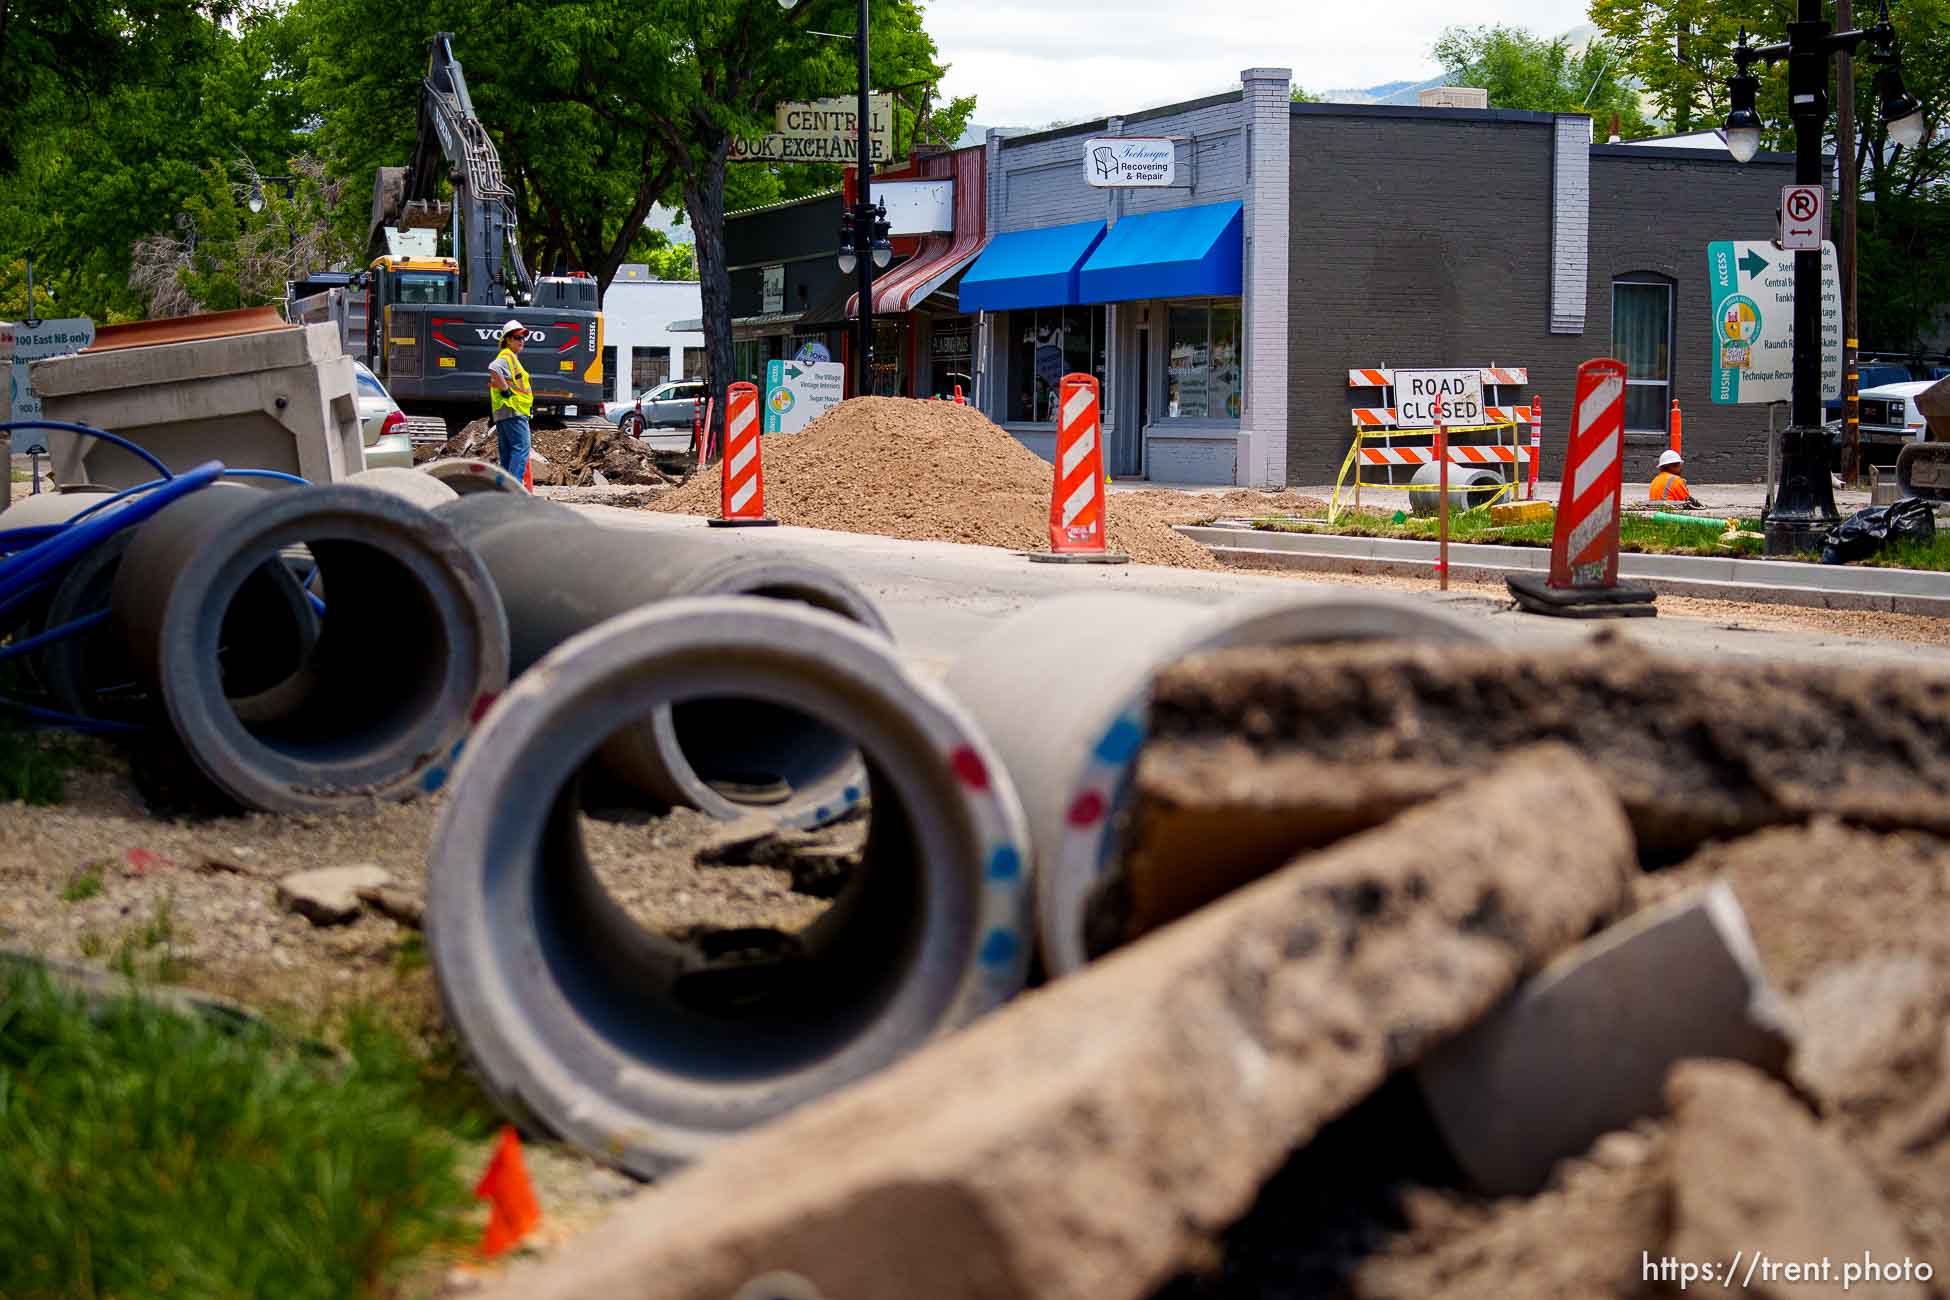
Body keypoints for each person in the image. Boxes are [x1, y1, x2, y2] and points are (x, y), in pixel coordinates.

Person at [487, 319, 534, 483]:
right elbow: (493, 368)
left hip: (504, 411)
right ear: (507, 339)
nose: (521, 341)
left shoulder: (510, 357)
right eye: (517, 337)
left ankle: (502, 489)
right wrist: (506, 390)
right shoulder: (507, 356)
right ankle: (513, 488)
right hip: (513, 409)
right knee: (521, 448)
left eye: (523, 338)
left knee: (507, 453)